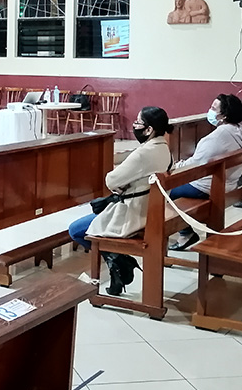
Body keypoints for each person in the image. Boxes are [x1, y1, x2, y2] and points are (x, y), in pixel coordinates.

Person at [67, 106, 174, 295]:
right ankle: (119, 262)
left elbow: (111, 180)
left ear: (149, 129)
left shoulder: (143, 154)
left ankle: (117, 261)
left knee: (76, 230)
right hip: (152, 208)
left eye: (138, 122)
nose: (134, 125)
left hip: (132, 214)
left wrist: (121, 181)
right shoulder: (164, 148)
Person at [168, 94, 242, 251]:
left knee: (164, 189)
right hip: (228, 183)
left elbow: (196, 164)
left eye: (214, 108)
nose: (210, 111)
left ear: (224, 115)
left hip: (208, 186)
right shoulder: (241, 130)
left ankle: (184, 233)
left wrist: (176, 167)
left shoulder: (219, 135)